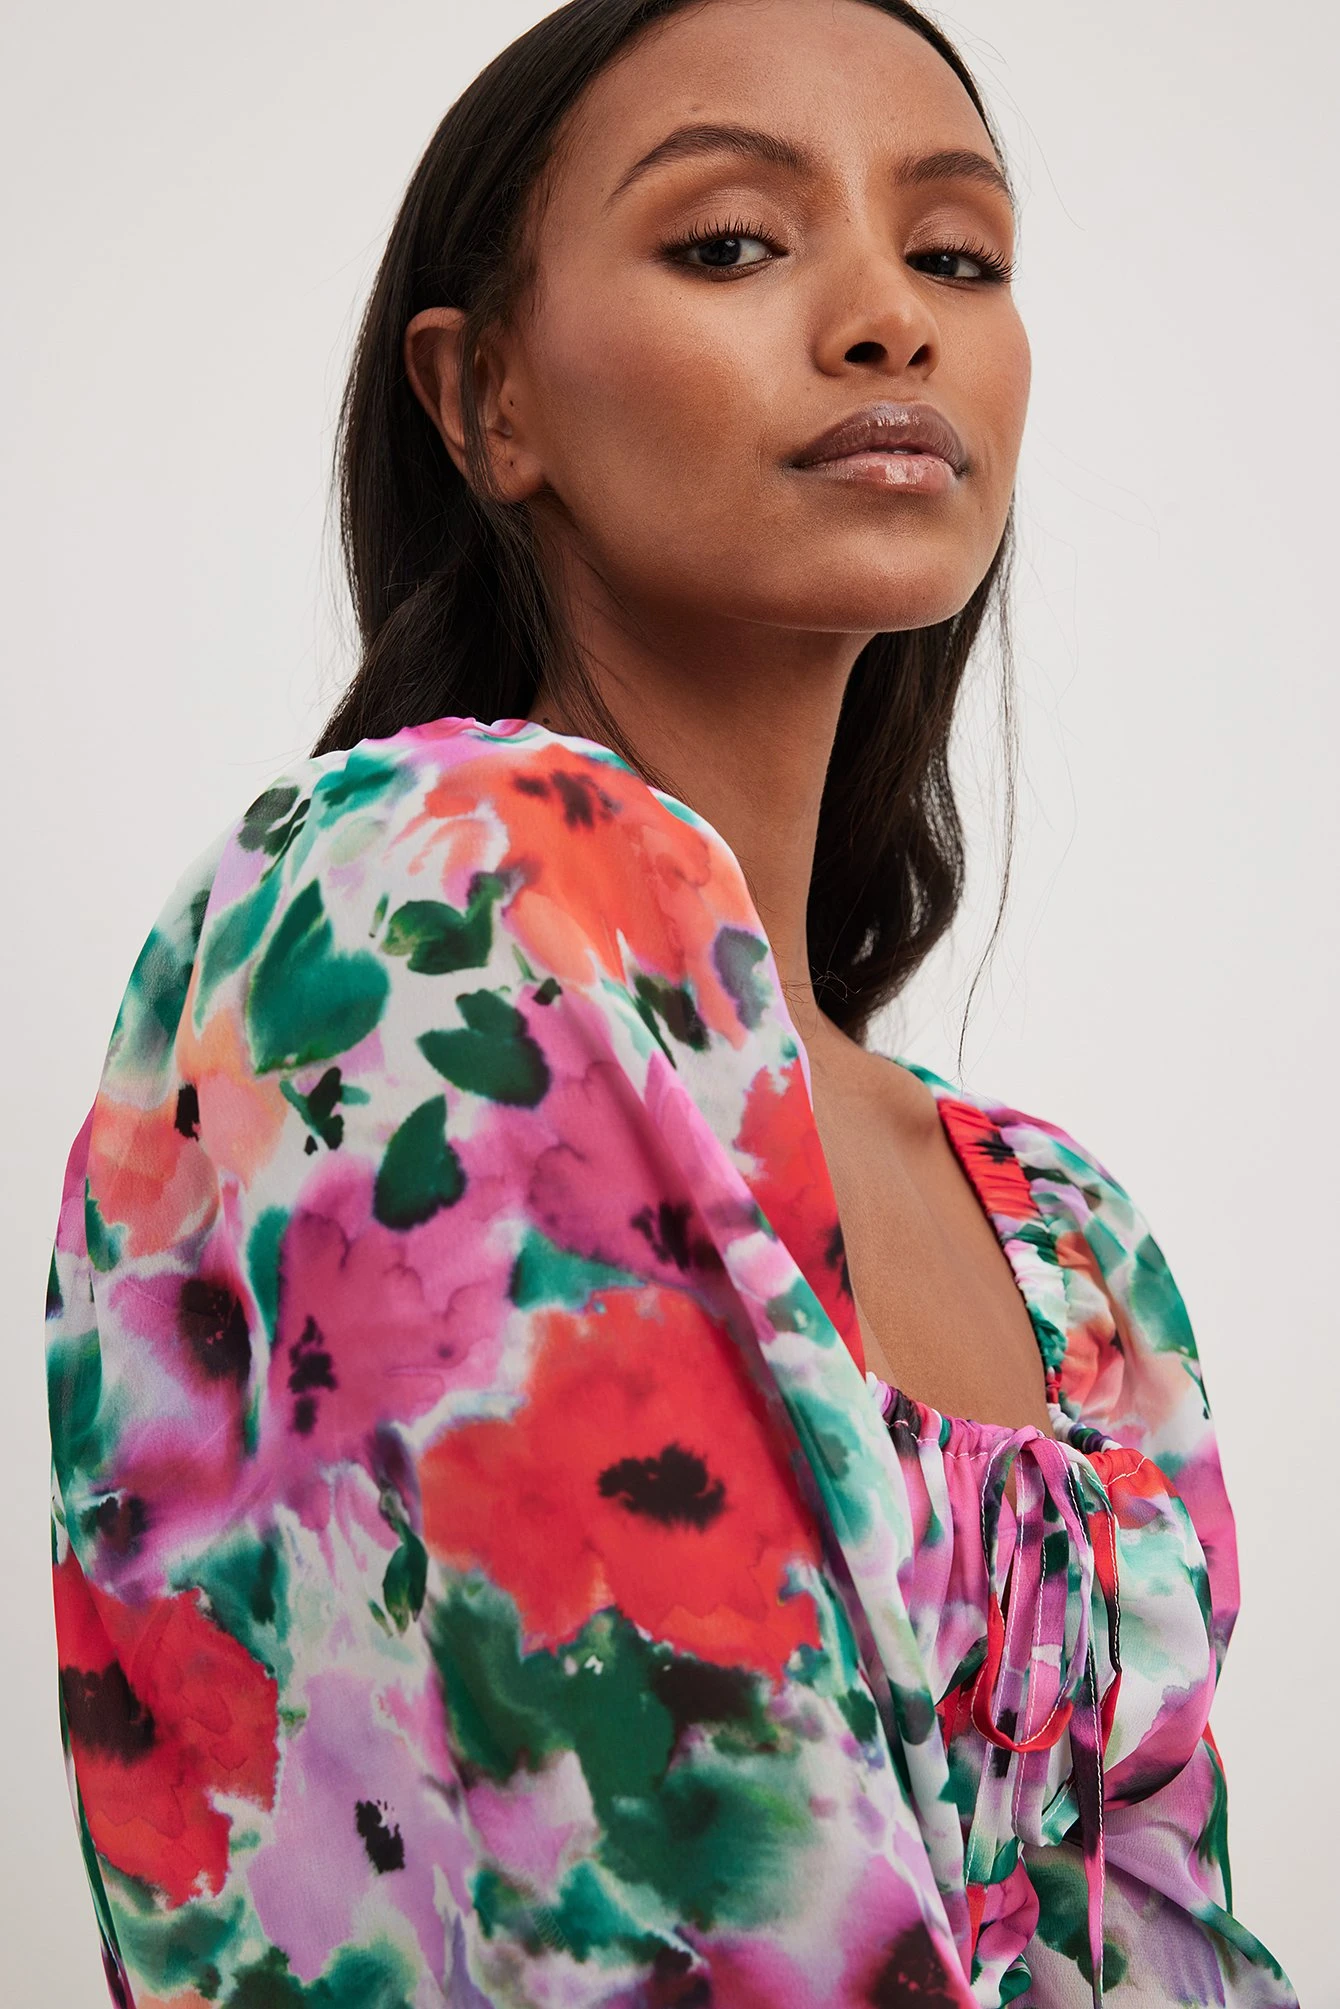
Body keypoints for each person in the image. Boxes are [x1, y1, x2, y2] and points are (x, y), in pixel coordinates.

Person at [45, 2, 1295, 2004]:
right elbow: (658, 1911)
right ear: (485, 401)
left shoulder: (1073, 1240)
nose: (889, 320)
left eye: (956, 254)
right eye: (730, 242)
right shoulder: (427, 889)